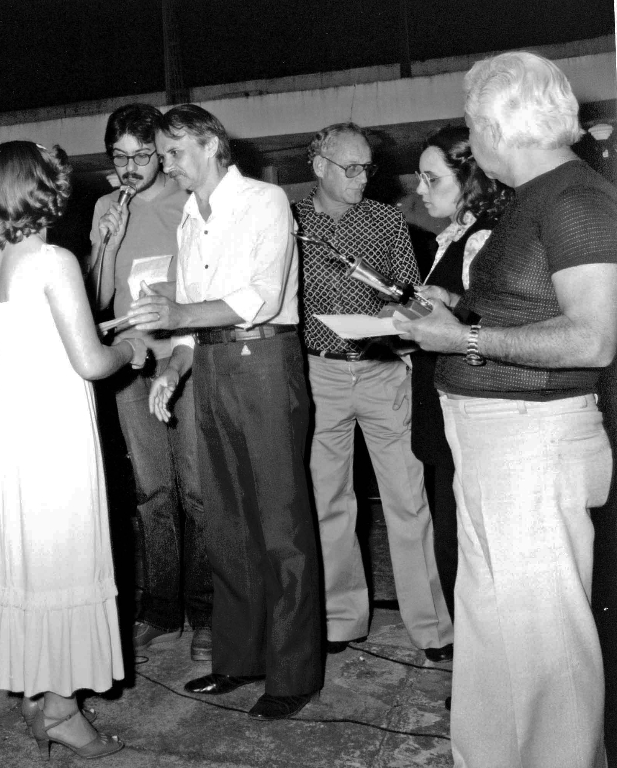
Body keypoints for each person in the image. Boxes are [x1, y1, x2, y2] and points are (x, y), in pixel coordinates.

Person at [395, 51, 617, 768]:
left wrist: (462, 335)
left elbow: (593, 335)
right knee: (493, 627)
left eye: (470, 124)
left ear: (500, 126)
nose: (469, 138)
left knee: (544, 643)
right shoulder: (533, 196)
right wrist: (455, 308)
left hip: (534, 441)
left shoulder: (575, 200)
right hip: (496, 442)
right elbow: (529, 307)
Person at [127, 105, 322, 721]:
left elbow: (260, 296)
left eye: (175, 151)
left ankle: (294, 671)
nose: (168, 164)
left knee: (280, 522)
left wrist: (181, 318)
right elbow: (186, 313)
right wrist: (174, 366)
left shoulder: (265, 201)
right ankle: (238, 658)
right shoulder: (188, 216)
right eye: (162, 154)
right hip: (211, 367)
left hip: (263, 363)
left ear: (212, 145)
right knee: (228, 525)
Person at [0, 140, 146, 758]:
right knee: (69, 555)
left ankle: (34, 693)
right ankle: (64, 711)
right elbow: (93, 362)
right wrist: (132, 350)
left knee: (31, 558)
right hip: (58, 427)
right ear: (45, 187)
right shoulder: (55, 260)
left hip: (16, 425)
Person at [294, 123, 453, 661]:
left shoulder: (386, 219)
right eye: (351, 168)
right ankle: (342, 619)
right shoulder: (289, 223)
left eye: (368, 167)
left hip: (383, 370)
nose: (363, 178)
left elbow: (410, 292)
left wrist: (397, 311)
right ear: (320, 167)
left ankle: (433, 626)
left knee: (409, 501)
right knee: (328, 500)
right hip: (320, 376)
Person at [87, 103, 211, 661]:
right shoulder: (105, 207)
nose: (132, 167)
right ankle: (160, 605)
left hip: (182, 362)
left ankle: (207, 608)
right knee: (151, 489)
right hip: (129, 364)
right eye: (121, 157)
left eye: (143, 155)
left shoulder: (189, 198)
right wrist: (106, 246)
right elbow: (95, 298)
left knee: (196, 490)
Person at [410, 124, 510, 617]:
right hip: (441, 407)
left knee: (463, 543)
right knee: (452, 537)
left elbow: (486, 326)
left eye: (432, 180)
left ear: (469, 179)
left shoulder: (482, 239)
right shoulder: (450, 239)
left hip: (466, 411)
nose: (420, 190)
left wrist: (451, 306)